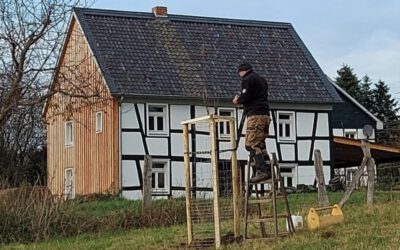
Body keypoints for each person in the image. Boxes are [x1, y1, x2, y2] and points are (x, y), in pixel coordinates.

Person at [233, 62, 271, 183]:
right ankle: (268, 170)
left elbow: (246, 96)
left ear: (241, 72)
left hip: (255, 115)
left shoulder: (248, 79)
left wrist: (238, 100)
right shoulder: (262, 80)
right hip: (265, 115)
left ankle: (262, 171)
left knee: (251, 144)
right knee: (260, 145)